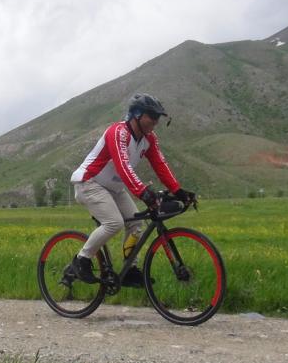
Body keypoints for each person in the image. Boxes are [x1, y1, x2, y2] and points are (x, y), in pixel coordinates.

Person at [69, 93, 196, 287]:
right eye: (152, 116)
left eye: (158, 117)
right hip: (89, 182)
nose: (156, 122)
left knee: (137, 225)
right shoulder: (118, 132)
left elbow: (160, 165)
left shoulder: (149, 139)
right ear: (137, 114)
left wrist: (179, 191)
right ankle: (82, 259)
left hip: (114, 188)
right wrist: (143, 192)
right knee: (114, 223)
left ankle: (129, 270)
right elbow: (123, 166)